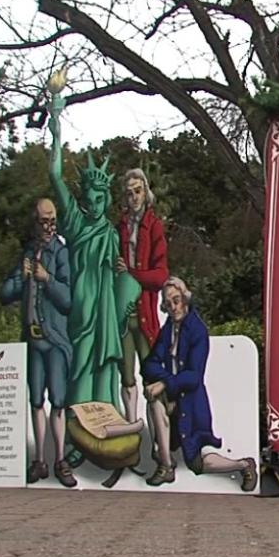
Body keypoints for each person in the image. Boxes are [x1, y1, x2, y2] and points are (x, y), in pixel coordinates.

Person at [47, 89, 138, 412]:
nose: (94, 203)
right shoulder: (74, 222)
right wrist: (56, 125)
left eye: (100, 198)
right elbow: (55, 175)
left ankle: (106, 423)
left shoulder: (111, 232)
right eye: (89, 197)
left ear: (106, 199)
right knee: (81, 366)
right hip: (82, 310)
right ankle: (77, 430)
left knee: (106, 368)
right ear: (83, 198)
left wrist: (123, 277)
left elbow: (118, 273)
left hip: (105, 310)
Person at [142, 276, 258, 491]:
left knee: (200, 462)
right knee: (153, 397)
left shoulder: (197, 330)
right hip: (172, 399)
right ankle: (166, 465)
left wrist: (165, 384)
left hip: (191, 405)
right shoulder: (167, 331)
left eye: (176, 300)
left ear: (185, 299)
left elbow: (194, 376)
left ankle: (244, 464)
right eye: (168, 304)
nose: (173, 307)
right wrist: (164, 383)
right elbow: (149, 364)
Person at [0, 199, 73, 485]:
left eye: (52, 220)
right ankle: (39, 460)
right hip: (32, 339)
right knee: (35, 399)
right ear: (35, 222)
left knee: (58, 399)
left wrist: (48, 279)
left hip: (54, 339)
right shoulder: (28, 254)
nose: (49, 226)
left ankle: (60, 460)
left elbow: (68, 300)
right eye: (44, 221)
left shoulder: (61, 253)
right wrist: (23, 278)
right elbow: (5, 294)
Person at [116, 168, 168, 424]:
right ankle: (130, 431)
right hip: (124, 317)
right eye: (129, 193)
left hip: (146, 314)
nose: (134, 197)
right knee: (126, 377)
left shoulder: (154, 226)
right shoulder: (120, 228)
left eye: (138, 191)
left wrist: (132, 274)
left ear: (146, 193)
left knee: (152, 378)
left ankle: (160, 441)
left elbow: (160, 276)